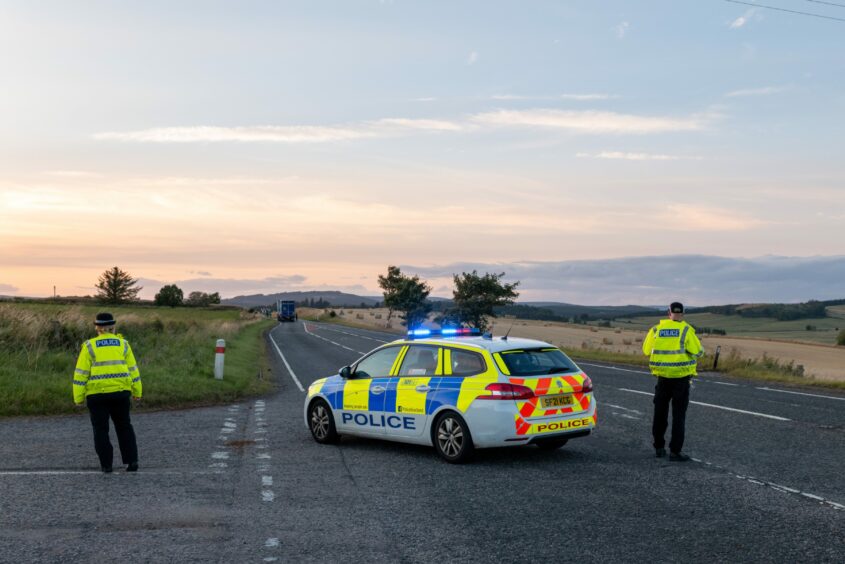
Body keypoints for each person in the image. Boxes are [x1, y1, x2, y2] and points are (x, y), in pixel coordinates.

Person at [73, 312, 142, 473]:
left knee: (101, 430)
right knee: (124, 427)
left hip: (96, 396)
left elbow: (81, 373)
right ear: (113, 327)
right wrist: (137, 391)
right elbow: (133, 370)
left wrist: (78, 397)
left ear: (97, 328)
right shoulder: (123, 344)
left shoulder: (89, 346)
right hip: (121, 393)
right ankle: (131, 462)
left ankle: (106, 465)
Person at [642, 302, 702, 462]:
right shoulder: (686, 330)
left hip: (662, 378)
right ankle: (675, 452)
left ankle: (659, 448)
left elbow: (646, 350)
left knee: (660, 414)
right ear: (683, 314)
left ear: (668, 313)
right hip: (681, 380)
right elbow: (698, 351)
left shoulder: (656, 330)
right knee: (678, 416)